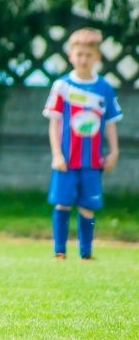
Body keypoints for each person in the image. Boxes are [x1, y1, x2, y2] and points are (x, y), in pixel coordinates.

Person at [43, 27, 121, 261]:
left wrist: (114, 151)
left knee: (88, 206)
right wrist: (57, 154)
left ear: (97, 57)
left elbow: (110, 123)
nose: (84, 59)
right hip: (67, 160)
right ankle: (59, 250)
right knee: (62, 204)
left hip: (91, 162)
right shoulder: (62, 86)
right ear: (70, 56)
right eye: (79, 55)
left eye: (89, 55)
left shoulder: (104, 89)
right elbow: (54, 124)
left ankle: (86, 252)